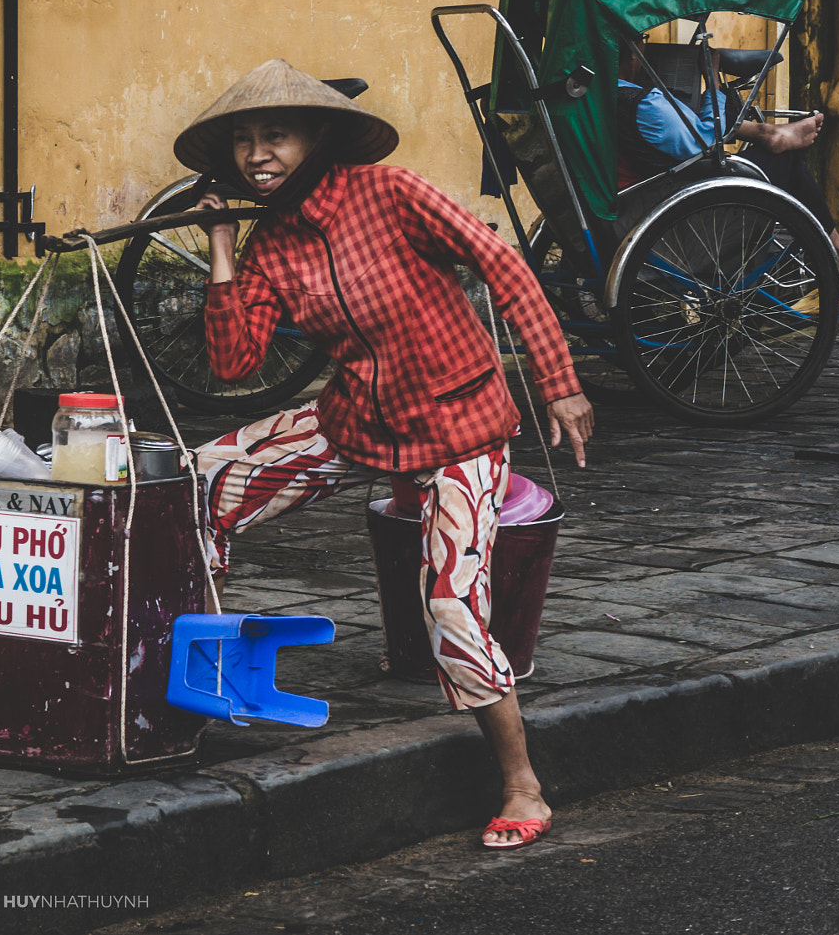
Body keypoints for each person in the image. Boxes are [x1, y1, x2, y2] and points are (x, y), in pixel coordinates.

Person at [176, 59, 593, 852]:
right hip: (358, 420)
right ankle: (205, 680)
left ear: (319, 137)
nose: (257, 155)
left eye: (276, 136)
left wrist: (559, 384)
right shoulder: (269, 245)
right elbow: (234, 363)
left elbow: (502, 265)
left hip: (457, 424)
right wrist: (223, 247)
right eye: (243, 140)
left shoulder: (391, 192)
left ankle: (522, 783)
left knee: (450, 605)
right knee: (203, 480)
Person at [616, 44, 839, 268]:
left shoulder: (607, 98)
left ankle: (766, 132)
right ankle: (838, 248)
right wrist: (713, 80)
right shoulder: (644, 106)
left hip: (642, 201)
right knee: (784, 160)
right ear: (631, 52)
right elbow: (706, 140)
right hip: (673, 212)